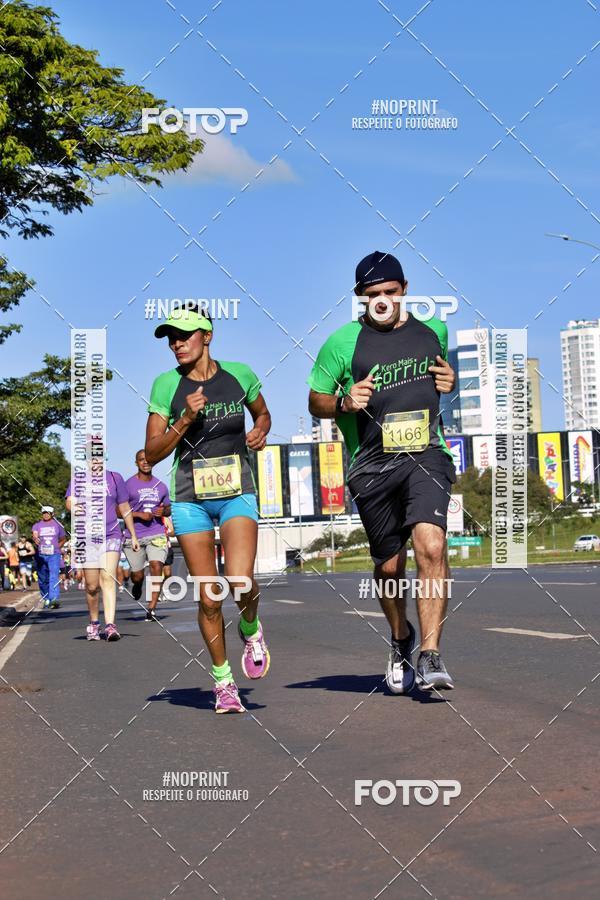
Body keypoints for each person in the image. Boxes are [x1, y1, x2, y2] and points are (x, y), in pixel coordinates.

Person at [308, 251, 457, 694]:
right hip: (371, 464)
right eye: (373, 294)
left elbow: (440, 384)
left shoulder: (436, 331)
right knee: (390, 568)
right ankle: (400, 638)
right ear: (360, 297)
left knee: (431, 545)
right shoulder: (341, 343)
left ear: (405, 289)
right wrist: (343, 402)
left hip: (426, 453)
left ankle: (430, 655)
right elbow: (315, 400)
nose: (383, 301)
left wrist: (450, 382)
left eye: (390, 292)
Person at [145, 305, 271, 714]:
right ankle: (223, 682)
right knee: (210, 596)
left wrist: (260, 431)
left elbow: (263, 413)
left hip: (237, 491)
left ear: (207, 335)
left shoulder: (240, 374)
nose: (176, 343)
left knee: (239, 579)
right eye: (170, 338)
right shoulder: (166, 385)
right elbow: (152, 452)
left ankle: (250, 628)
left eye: (184, 335)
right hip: (189, 498)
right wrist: (183, 420)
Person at [66, 469, 140, 641]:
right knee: (92, 586)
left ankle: (110, 626)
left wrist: (133, 534)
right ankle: (94, 622)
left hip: (111, 533)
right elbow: (69, 502)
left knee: (108, 577)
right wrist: (75, 507)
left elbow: (124, 507)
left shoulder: (115, 477)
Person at [123, 449, 171, 621]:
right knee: (137, 575)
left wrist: (163, 510)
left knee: (156, 566)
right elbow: (117, 510)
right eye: (141, 460)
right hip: (133, 535)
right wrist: (138, 515)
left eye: (148, 459)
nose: (145, 462)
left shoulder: (161, 486)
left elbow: (169, 508)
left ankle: (152, 608)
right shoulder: (127, 485)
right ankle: (137, 584)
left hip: (156, 533)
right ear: (136, 463)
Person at [32, 507, 66, 608]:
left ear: (52, 514)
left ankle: (53, 599)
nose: (46, 515)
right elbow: (35, 534)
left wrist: (57, 547)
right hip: (41, 555)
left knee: (53, 576)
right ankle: (46, 597)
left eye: (48, 513)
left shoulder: (58, 525)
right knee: (42, 578)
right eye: (44, 513)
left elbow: (63, 539)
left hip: (54, 554)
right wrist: (35, 538)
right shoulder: (37, 525)